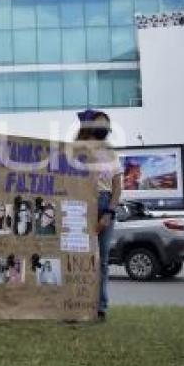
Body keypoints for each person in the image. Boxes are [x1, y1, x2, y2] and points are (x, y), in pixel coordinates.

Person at [76, 109, 123, 321]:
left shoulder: (111, 152)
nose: (103, 127)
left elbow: (117, 187)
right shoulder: (75, 151)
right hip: (79, 205)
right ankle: (75, 305)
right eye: (99, 123)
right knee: (77, 257)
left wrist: (109, 213)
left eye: (106, 123)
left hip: (104, 203)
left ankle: (100, 307)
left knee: (102, 260)